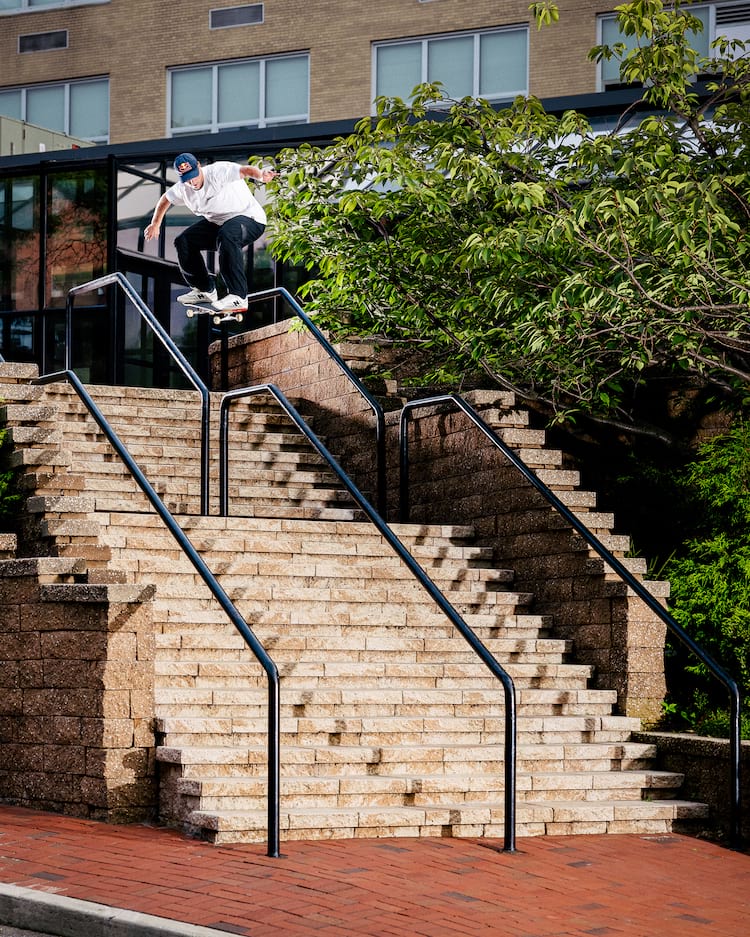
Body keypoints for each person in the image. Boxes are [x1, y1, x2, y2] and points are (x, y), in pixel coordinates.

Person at [144, 153, 277, 313]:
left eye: (193, 176)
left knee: (228, 234)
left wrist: (261, 176)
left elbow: (245, 170)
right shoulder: (183, 188)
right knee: (184, 241)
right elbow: (166, 199)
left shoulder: (218, 171)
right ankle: (205, 289)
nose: (192, 182)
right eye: (186, 178)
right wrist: (155, 223)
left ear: (199, 166)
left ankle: (238, 296)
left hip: (250, 218)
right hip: (219, 224)